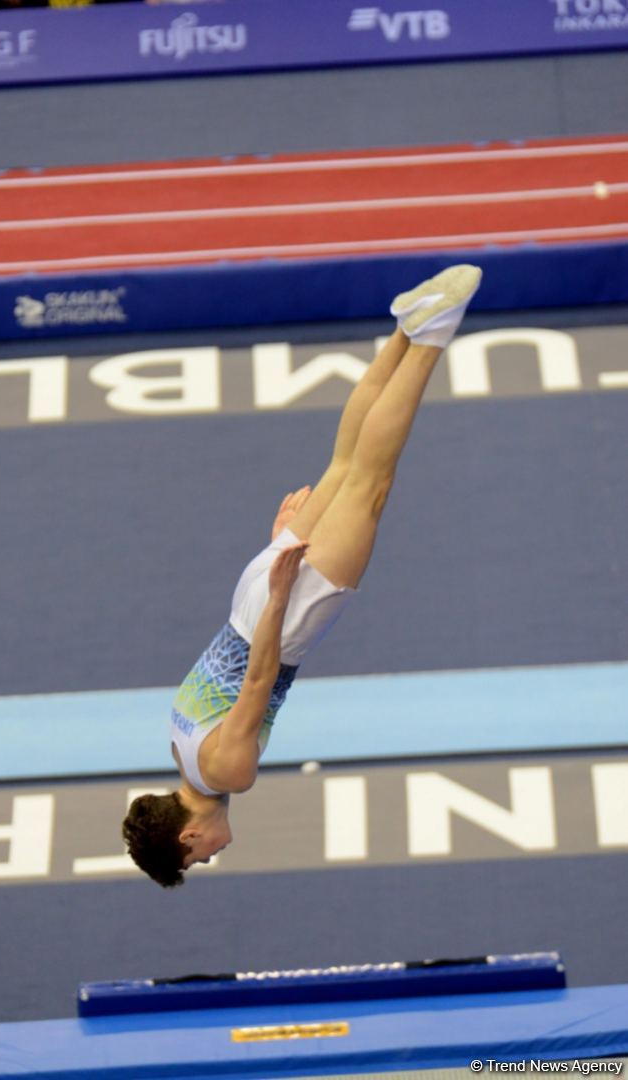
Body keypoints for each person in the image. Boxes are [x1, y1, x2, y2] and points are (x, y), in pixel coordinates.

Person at [122, 264, 483, 887]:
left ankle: (431, 335)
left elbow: (260, 675)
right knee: (343, 462)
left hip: (283, 615)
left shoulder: (228, 773)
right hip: (252, 594)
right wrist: (273, 563)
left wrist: (285, 595)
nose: (211, 853)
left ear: (187, 835)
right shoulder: (177, 743)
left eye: (198, 856)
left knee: (371, 480)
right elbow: (226, 667)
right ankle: (403, 328)